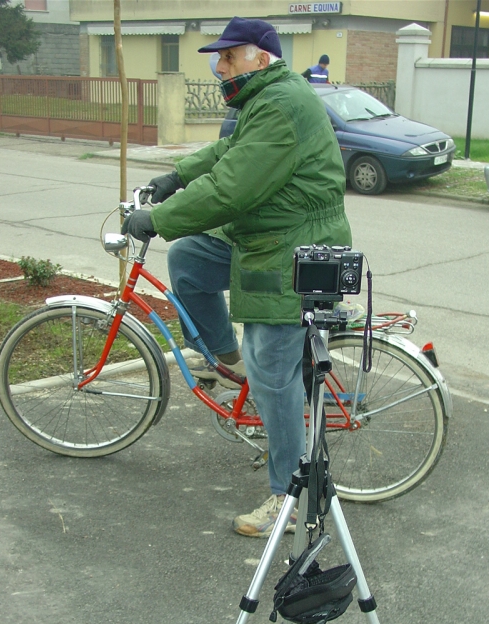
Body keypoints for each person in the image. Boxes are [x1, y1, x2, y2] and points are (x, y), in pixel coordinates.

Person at [122, 17, 350, 537]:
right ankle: (228, 360)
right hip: (264, 235)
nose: (219, 66)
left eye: (229, 57)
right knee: (189, 262)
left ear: (261, 59)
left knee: (273, 371)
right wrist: (175, 175)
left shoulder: (283, 105)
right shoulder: (264, 100)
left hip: (293, 250)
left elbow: (231, 188)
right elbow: (227, 154)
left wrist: (157, 219)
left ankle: (288, 499)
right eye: (218, 58)